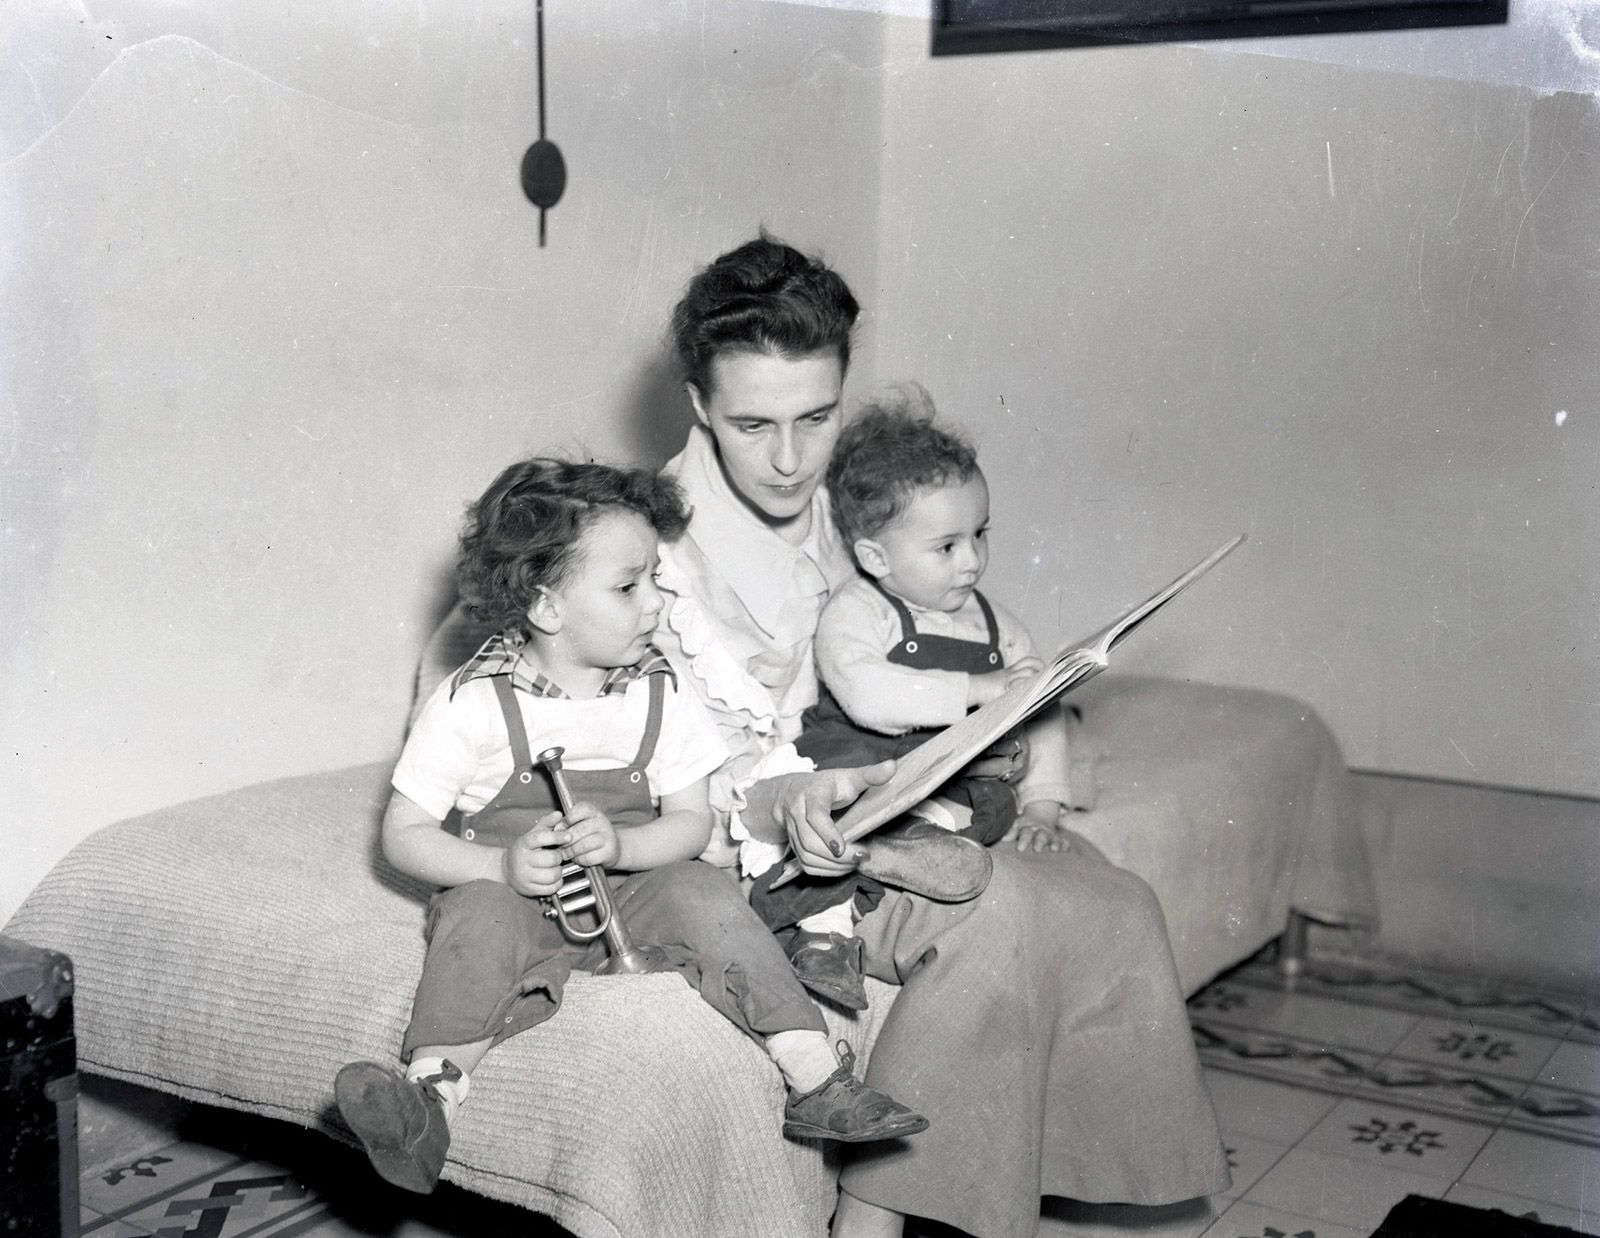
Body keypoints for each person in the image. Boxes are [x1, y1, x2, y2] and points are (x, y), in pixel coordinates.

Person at [651, 234, 1229, 1238]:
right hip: (784, 841)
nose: (790, 459)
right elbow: (668, 760)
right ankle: (869, 1221)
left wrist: (1013, 711)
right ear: (697, 404)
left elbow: (944, 619)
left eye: (817, 416)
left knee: (1114, 898)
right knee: (996, 916)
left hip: (903, 797)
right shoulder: (652, 550)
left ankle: (1060, 1183)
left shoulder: (848, 502)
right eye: (752, 424)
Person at [333, 457, 928, 1197]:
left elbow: (688, 821)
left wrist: (627, 846)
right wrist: (500, 870)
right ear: (547, 607)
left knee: (707, 895)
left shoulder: (658, 690)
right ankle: (428, 1105)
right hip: (516, 888)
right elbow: (405, 833)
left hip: (636, 883)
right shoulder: (471, 701)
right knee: (477, 923)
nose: (656, 604)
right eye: (628, 586)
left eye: (655, 577)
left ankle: (816, 1077)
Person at [750, 392, 1088, 1011]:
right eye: (947, 546)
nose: (974, 560)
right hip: (871, 761)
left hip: (951, 784)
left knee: (993, 801)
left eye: (980, 534)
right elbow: (868, 694)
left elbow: (1044, 715)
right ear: (875, 556)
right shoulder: (859, 609)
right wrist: (983, 690)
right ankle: (824, 932)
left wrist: (1044, 806)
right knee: (833, 787)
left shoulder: (1000, 625)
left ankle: (897, 848)